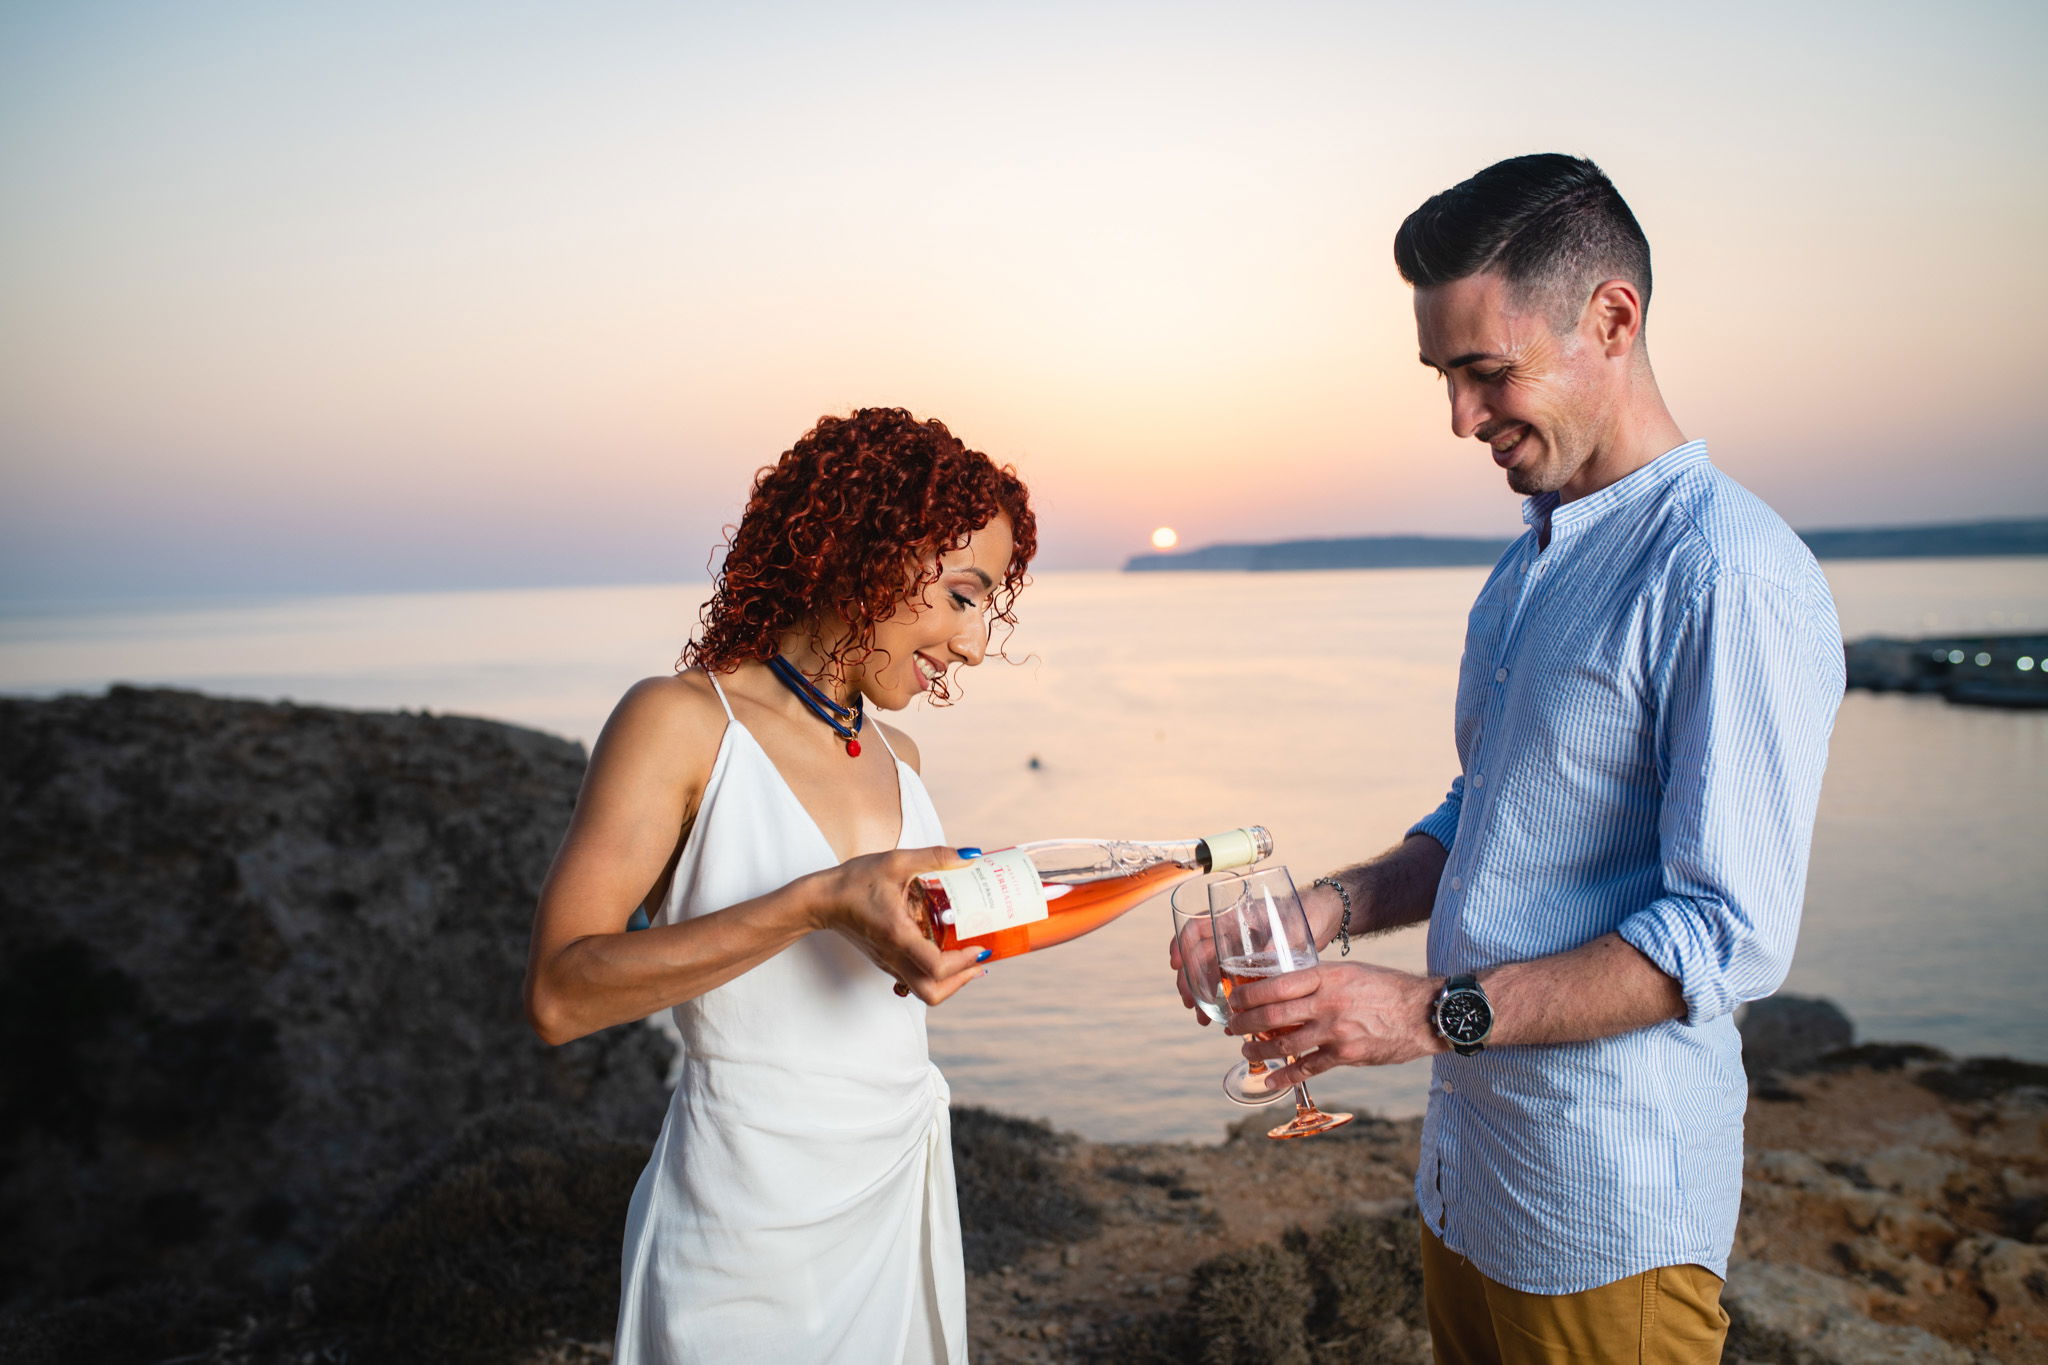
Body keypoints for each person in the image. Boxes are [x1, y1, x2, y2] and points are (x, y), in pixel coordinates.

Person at [1210, 155, 1845, 1363]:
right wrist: (1320, 909)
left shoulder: (1728, 575)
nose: (1459, 416)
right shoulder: (1527, 566)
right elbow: (1487, 820)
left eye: (1486, 371)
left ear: (1611, 318)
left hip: (1607, 1215)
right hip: (1473, 1182)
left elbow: (1724, 932)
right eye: (1441, 376)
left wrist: (1419, 1014)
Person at [523, 408, 1035, 1365]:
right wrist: (816, 900)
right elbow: (560, 993)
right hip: (744, 1224)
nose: (971, 645)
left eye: (985, 608)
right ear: (869, 549)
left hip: (897, 1189)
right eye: (963, 596)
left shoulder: (902, 755)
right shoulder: (679, 721)